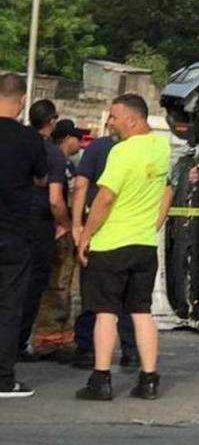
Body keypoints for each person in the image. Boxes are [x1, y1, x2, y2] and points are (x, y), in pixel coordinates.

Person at [76, 94, 170, 401]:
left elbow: (104, 198)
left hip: (111, 243)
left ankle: (101, 379)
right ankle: (149, 378)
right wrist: (153, 225)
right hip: (143, 244)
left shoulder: (121, 152)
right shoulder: (161, 148)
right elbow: (167, 190)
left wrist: (86, 234)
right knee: (141, 311)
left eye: (114, 117)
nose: (109, 122)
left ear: (133, 119)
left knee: (105, 312)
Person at [69, 126, 139, 369]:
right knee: (131, 300)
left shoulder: (97, 148)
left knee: (95, 296)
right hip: (134, 234)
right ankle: (132, 351)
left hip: (100, 232)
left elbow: (81, 185)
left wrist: (78, 225)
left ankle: (88, 349)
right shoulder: (146, 150)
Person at [0, 74, 47, 397]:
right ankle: (3, 378)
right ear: (20, 102)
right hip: (14, 233)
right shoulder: (30, 139)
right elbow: (42, 179)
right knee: (8, 307)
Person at [17, 99, 70, 361]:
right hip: (40, 226)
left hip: (14, 221)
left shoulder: (18, 143)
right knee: (33, 287)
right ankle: (17, 344)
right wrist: (66, 224)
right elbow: (55, 199)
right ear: (52, 121)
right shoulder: (53, 154)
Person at [30, 120, 84, 357]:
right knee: (57, 285)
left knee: (66, 286)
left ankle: (61, 337)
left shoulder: (67, 164)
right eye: (77, 138)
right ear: (66, 138)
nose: (79, 143)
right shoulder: (57, 160)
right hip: (60, 231)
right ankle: (47, 339)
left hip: (68, 230)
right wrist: (64, 224)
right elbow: (55, 199)